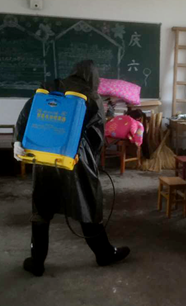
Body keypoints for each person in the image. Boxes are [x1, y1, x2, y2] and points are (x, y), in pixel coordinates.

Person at [14, 60, 130, 277]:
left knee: (41, 209)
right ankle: (104, 253)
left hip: (45, 158)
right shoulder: (92, 97)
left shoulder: (50, 87)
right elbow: (97, 137)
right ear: (93, 77)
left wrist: (18, 140)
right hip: (77, 161)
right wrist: (90, 157)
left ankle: (37, 261)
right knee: (87, 205)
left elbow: (26, 114)